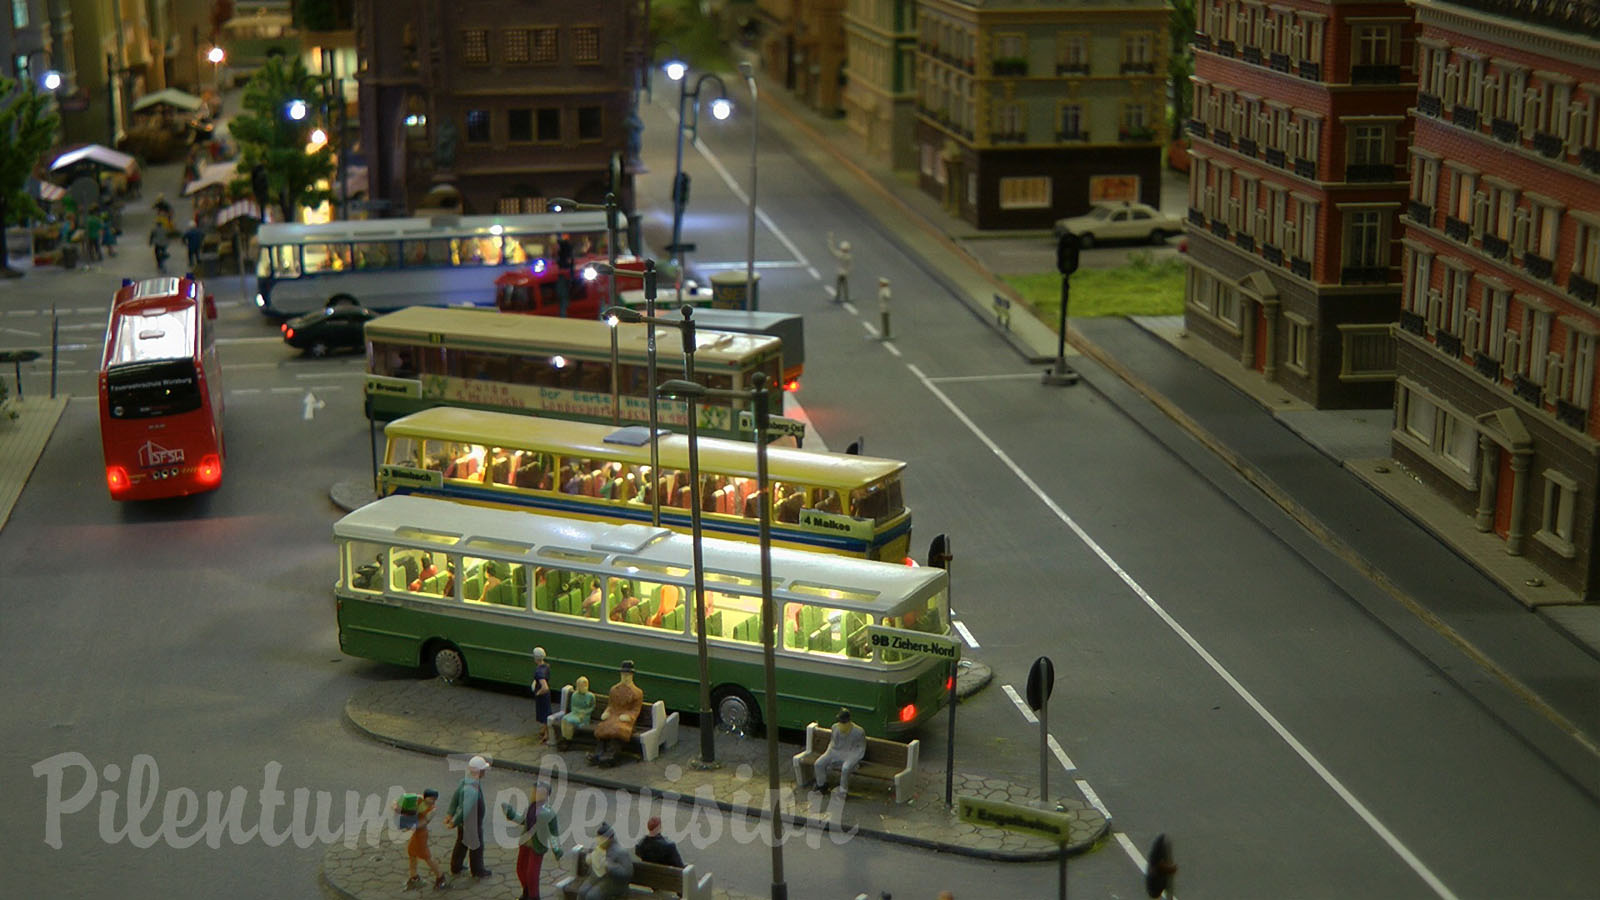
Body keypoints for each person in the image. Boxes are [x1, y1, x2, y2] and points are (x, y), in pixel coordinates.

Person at [502, 781, 562, 900]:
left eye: (536, 792)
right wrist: (511, 813)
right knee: (520, 869)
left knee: (532, 874)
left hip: (538, 846)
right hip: (525, 842)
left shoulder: (549, 814)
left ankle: (534, 896)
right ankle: (527, 892)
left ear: (544, 795)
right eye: (533, 791)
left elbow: (553, 833)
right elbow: (523, 820)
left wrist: (557, 849)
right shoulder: (530, 808)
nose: (533, 794)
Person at [444, 754, 492, 879]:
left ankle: (456, 866)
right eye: (484, 770)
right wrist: (454, 820)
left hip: (464, 824)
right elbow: (465, 809)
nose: (485, 772)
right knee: (476, 846)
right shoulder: (472, 790)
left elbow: (455, 798)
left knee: (461, 843)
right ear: (480, 771)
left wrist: (450, 814)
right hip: (472, 824)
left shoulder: (465, 782)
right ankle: (477, 870)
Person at [589, 660, 643, 766]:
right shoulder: (614, 689)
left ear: (632, 676)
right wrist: (607, 712)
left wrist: (629, 716)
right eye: (623, 674)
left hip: (625, 721)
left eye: (628, 675)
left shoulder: (637, 692)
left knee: (617, 730)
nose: (625, 677)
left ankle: (611, 755)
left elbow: (635, 710)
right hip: (613, 716)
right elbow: (610, 705)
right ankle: (598, 753)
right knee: (603, 727)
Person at [804, 708, 866, 797]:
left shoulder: (859, 731)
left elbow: (860, 749)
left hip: (850, 754)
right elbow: (832, 744)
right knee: (819, 763)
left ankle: (843, 791)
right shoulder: (835, 727)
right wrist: (828, 755)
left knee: (845, 768)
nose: (842, 724)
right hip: (835, 752)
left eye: (843, 721)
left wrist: (855, 759)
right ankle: (821, 785)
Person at [396, 788, 446, 890]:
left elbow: (424, 822)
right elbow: (400, 802)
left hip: (422, 834)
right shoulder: (417, 799)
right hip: (416, 833)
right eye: (431, 798)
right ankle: (414, 876)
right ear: (425, 797)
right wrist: (398, 808)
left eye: (434, 799)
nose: (432, 801)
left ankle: (440, 876)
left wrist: (411, 825)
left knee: (427, 856)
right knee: (411, 852)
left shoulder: (432, 809)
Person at [576, 822, 633, 900]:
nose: (599, 841)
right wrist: (588, 860)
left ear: (610, 839)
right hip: (597, 877)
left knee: (592, 896)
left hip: (614, 882)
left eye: (603, 839)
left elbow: (627, 873)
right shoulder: (596, 846)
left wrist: (608, 866)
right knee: (582, 891)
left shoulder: (621, 852)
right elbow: (589, 861)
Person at [560, 676, 597, 744]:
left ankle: (568, 739)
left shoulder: (590, 696)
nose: (584, 687)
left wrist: (585, 712)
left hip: (584, 715)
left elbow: (592, 707)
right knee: (564, 719)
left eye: (585, 685)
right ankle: (566, 737)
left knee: (569, 721)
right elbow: (573, 707)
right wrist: (576, 711)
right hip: (575, 713)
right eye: (582, 685)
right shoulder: (574, 695)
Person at [531, 647, 553, 743]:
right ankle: (544, 730)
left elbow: (545, 687)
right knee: (546, 712)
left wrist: (538, 693)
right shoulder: (546, 666)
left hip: (542, 695)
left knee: (545, 714)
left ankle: (547, 735)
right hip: (546, 695)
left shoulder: (539, 672)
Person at [826, 231, 852, 303]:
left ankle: (838, 297)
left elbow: (832, 249)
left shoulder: (840, 255)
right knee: (845, 285)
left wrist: (830, 239)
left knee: (839, 285)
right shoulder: (849, 256)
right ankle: (846, 297)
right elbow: (849, 266)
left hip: (840, 272)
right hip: (845, 273)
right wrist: (848, 272)